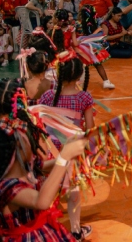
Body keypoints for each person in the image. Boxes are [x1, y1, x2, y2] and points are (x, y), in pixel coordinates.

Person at [0, 117, 88, 242]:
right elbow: (41, 201)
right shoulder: (7, 186)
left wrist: (69, 154)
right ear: (18, 148)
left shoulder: (26, 169)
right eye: (27, 139)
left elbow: (45, 167)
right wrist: (64, 157)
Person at [38, 54, 94, 240]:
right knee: (73, 190)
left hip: (51, 151)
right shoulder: (84, 97)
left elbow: (42, 125)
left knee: (49, 187)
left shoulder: (47, 96)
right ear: (79, 76)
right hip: (72, 149)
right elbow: (89, 128)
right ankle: (76, 231)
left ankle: (44, 229)